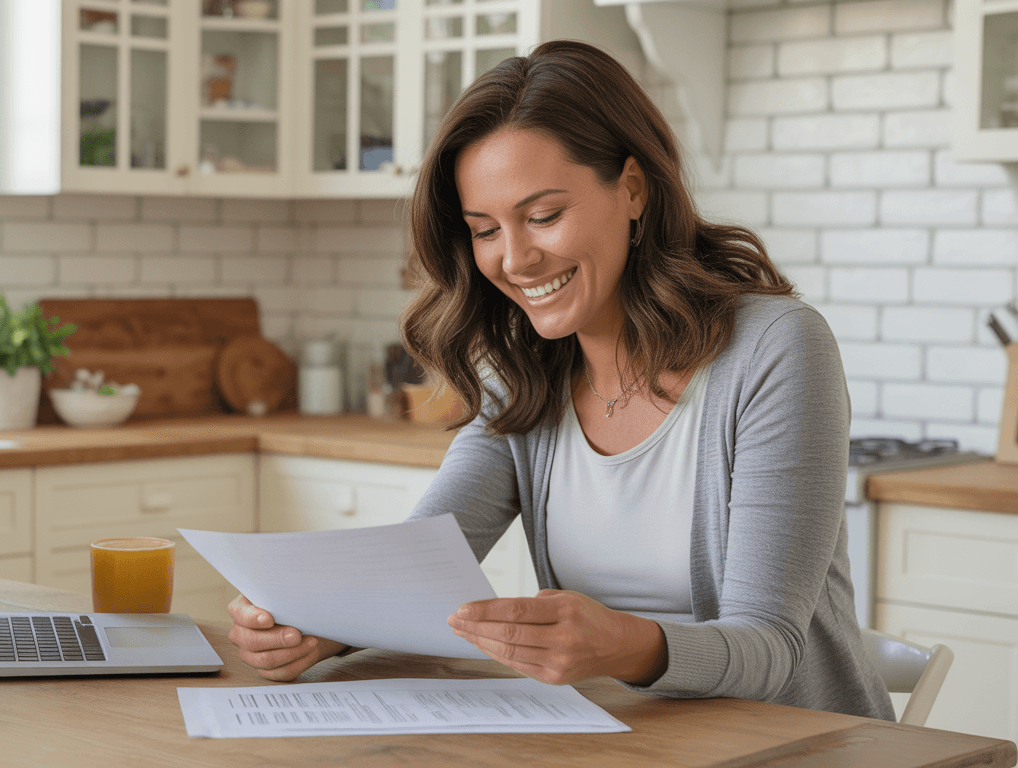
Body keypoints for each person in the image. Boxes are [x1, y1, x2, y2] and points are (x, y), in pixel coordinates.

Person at [227, 39, 895, 720]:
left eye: (543, 215)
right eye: (485, 229)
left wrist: (625, 646)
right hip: (628, 742)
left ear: (632, 189)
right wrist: (319, 625)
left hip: (803, 744)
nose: (515, 258)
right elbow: (417, 565)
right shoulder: (525, 373)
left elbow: (769, 650)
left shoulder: (775, 347)